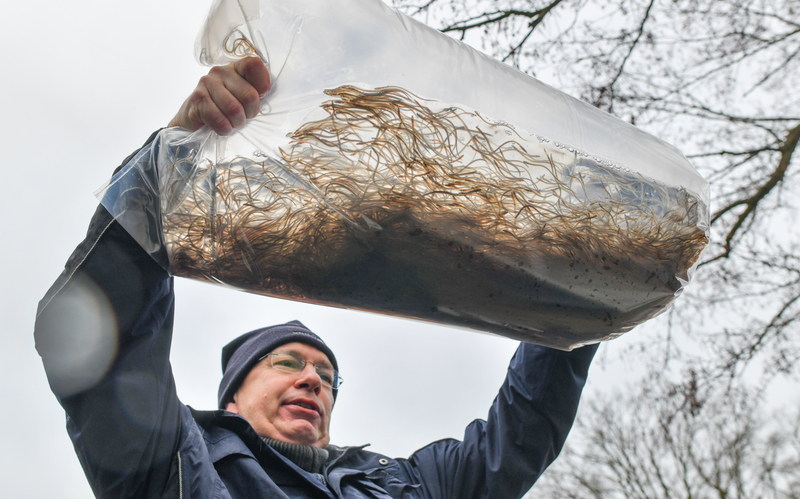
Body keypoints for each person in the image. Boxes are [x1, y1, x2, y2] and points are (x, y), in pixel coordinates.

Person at [34, 57, 598, 499]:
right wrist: (172, 160)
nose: (314, 381)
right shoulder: (171, 459)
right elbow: (100, 344)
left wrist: (589, 288)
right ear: (231, 396)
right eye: (288, 362)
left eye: (327, 376)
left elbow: (523, 431)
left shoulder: (410, 486)